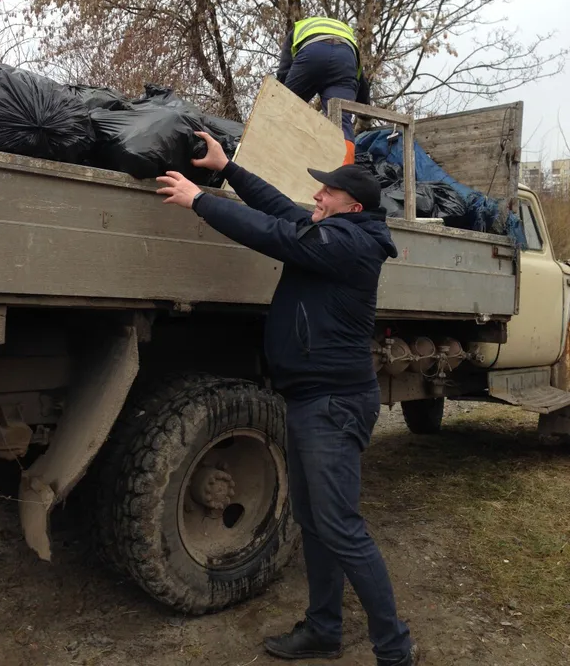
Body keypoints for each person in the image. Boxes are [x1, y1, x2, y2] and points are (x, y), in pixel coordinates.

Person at [156, 133, 417, 666]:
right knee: (316, 521)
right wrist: (229, 169)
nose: (316, 196)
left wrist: (201, 200)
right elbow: (280, 209)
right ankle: (324, 628)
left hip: (333, 405)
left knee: (341, 527)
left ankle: (395, 649)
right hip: (310, 400)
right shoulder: (332, 232)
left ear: (354, 205)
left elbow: (274, 233)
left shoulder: (350, 245)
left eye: (326, 192)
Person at [277, 16, 371, 165]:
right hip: (344, 60)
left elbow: (283, 72)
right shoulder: (347, 34)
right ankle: (343, 179)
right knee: (341, 123)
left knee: (286, 110)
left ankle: (275, 162)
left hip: (312, 53)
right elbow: (361, 80)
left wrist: (281, 98)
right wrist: (365, 119)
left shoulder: (299, 29)